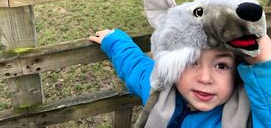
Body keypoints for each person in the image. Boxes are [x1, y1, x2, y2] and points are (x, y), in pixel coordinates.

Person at [89, 29, 271, 127]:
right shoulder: (158, 88)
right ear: (173, 64)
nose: (205, 78)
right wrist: (114, 40)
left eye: (221, 66)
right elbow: (135, 66)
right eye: (191, 61)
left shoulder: (243, 116)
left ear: (236, 73)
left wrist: (263, 62)